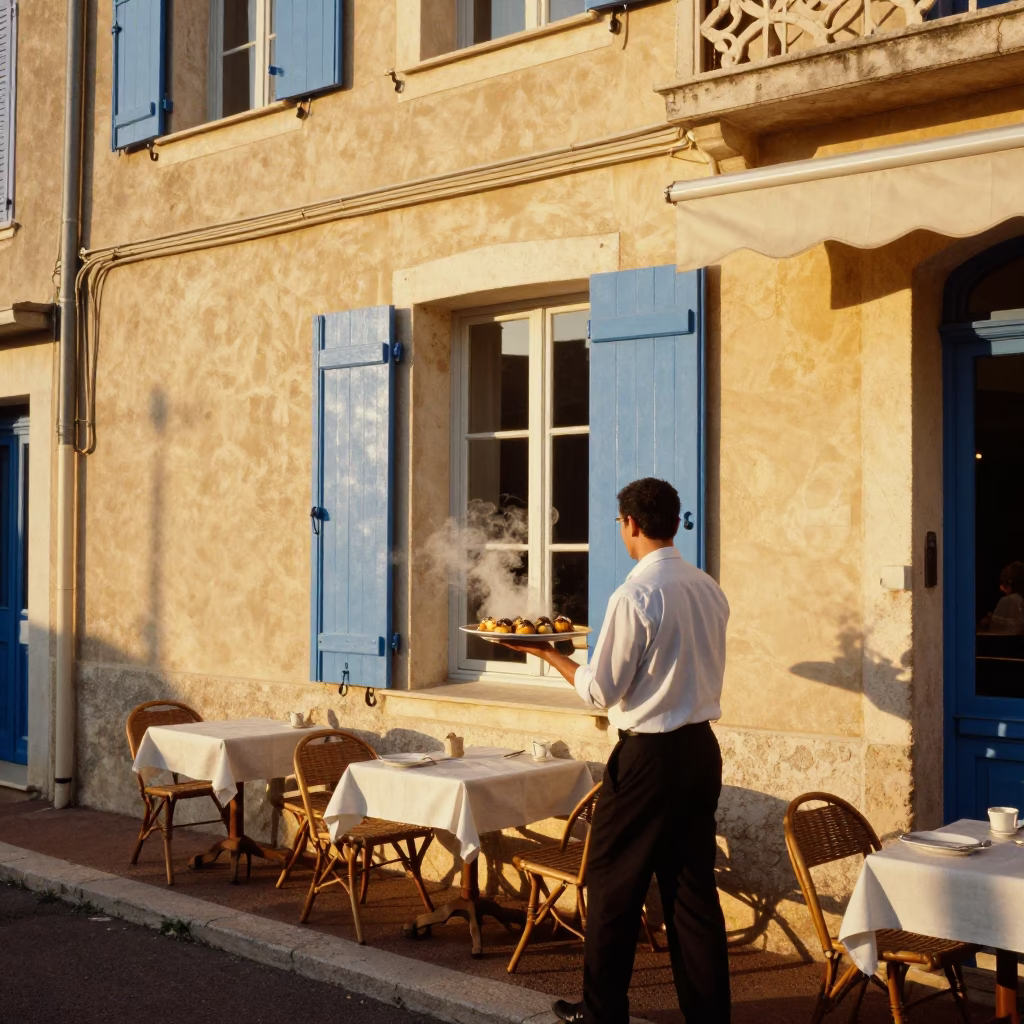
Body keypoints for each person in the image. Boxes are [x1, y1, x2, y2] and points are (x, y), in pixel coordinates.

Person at [502, 477, 731, 1024]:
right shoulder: (707, 587)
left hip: (648, 759)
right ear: (672, 522)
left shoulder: (635, 594)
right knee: (692, 893)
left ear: (630, 523)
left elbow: (601, 691)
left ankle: (603, 1013)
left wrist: (549, 653)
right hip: (700, 751)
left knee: (611, 887)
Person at [979, 561, 1024, 634]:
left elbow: (1017, 627)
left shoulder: (1009, 600)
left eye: (1005, 583)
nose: (1001, 588)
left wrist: (993, 620)